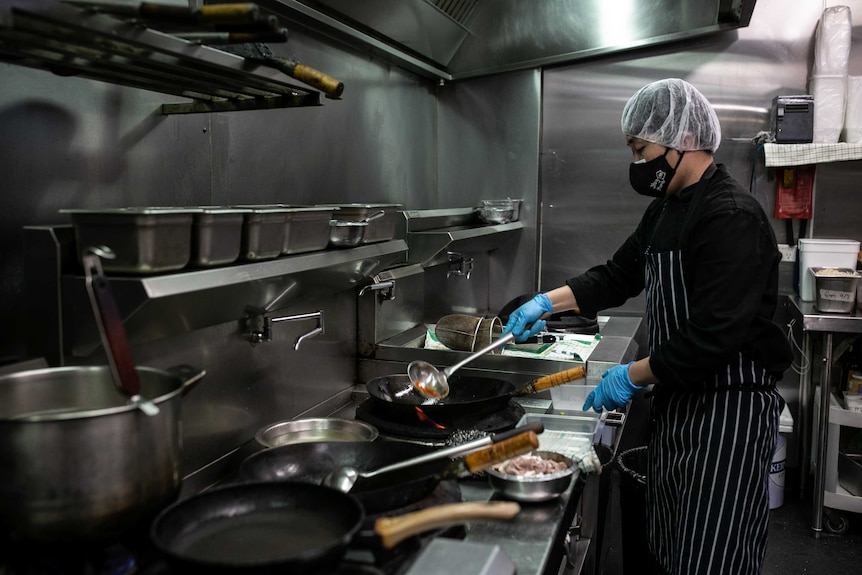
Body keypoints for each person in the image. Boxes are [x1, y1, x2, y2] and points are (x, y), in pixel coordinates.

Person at [502, 78, 792, 575]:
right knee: (673, 546)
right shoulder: (664, 210)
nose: (637, 163)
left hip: (728, 412)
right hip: (679, 404)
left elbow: (713, 336)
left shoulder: (731, 216)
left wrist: (630, 375)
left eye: (641, 149)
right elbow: (617, 276)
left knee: (713, 558)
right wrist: (544, 302)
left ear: (680, 139)